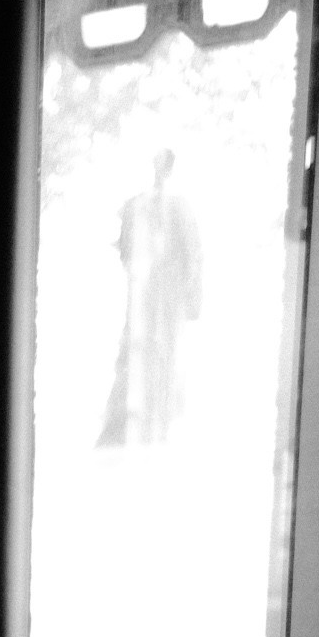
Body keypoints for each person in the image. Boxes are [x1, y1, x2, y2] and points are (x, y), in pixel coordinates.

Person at [97, 147, 203, 449]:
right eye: (153, 163)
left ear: (169, 168)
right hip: (142, 297)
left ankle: (160, 429)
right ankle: (121, 427)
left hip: (169, 297)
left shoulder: (181, 206)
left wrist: (190, 298)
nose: (157, 170)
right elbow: (124, 246)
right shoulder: (135, 204)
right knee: (133, 352)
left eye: (162, 164)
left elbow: (194, 254)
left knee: (166, 357)